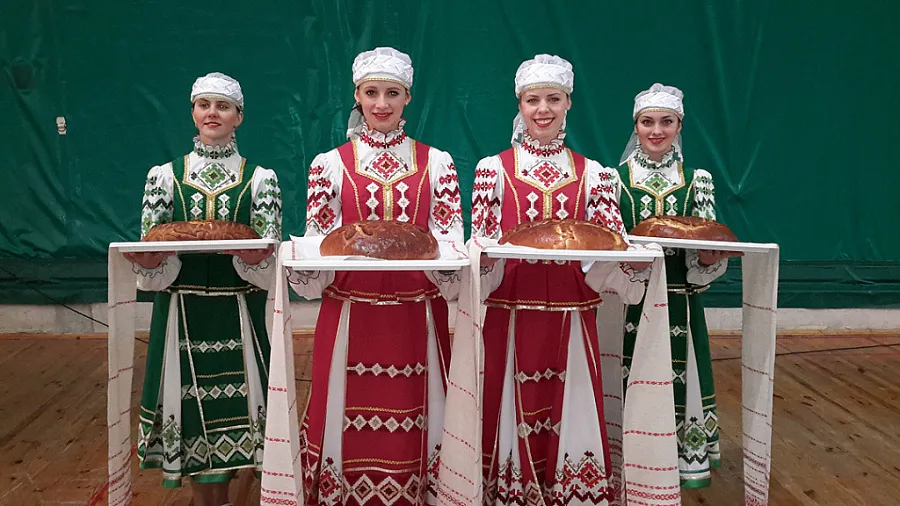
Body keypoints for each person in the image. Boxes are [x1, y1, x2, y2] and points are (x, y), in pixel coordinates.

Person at [289, 47, 464, 505]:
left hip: (416, 317)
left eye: (392, 93)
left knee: (416, 409)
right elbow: (318, 245)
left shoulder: (439, 163)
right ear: (357, 97)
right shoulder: (328, 165)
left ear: (408, 98)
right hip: (349, 314)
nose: (381, 103)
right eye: (372, 93)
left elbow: (450, 244)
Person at [469, 54, 646, 505]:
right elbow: (480, 249)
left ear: (569, 103)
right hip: (511, 315)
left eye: (553, 99)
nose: (543, 109)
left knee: (571, 404)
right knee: (509, 402)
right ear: (520, 105)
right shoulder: (492, 169)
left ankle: (572, 489)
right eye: (533, 100)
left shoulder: (596, 175)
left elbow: (613, 247)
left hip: (572, 316)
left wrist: (638, 263)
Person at [124, 72, 282, 506]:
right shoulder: (163, 177)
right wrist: (148, 263)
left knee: (244, 411)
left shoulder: (261, 179)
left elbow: (270, 261)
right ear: (193, 113)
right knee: (190, 412)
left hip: (239, 310)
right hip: (182, 310)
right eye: (204, 105)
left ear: (239, 117)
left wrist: (256, 258)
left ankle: (231, 497)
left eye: (223, 106)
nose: (213, 113)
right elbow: (152, 248)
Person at [616, 83, 737, 489]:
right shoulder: (613, 180)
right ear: (635, 126)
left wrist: (708, 259)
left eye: (666, 122)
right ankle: (629, 459)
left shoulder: (697, 181)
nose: (656, 131)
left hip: (679, 301)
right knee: (627, 375)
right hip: (628, 302)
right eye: (647, 122)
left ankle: (675, 462)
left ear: (679, 125)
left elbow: (708, 243)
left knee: (678, 377)